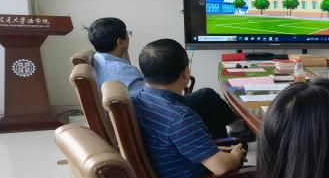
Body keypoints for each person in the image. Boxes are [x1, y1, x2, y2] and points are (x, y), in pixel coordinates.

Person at [87, 17, 242, 139]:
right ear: (120, 41)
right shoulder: (120, 69)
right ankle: (237, 131)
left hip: (135, 117)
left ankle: (227, 137)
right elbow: (150, 101)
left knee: (205, 101)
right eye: (127, 34)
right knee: (207, 96)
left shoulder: (97, 60)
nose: (129, 37)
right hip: (155, 118)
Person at [132, 39, 246, 178]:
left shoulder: (135, 98)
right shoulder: (180, 117)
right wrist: (236, 156)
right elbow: (221, 167)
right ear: (185, 73)